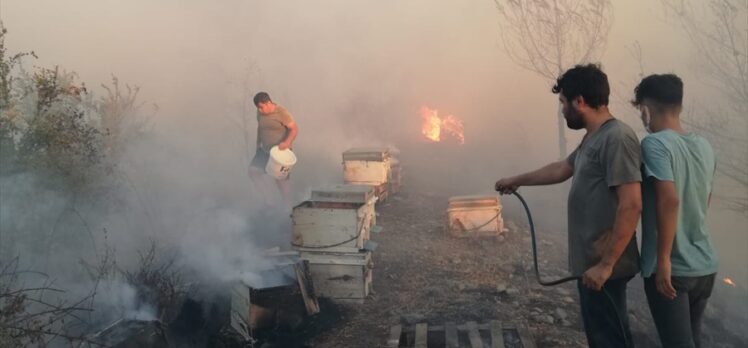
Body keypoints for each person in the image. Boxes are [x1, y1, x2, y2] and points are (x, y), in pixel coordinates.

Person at [495, 64, 641, 348]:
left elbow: (632, 204)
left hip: (604, 266)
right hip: (592, 265)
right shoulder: (594, 138)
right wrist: (518, 180)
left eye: (563, 103)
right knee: (600, 337)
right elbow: (562, 168)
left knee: (611, 339)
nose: (562, 111)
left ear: (580, 101)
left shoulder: (617, 138)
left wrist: (606, 265)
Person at [633, 74, 718, 348]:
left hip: (673, 270)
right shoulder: (704, 146)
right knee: (692, 340)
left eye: (640, 110)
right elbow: (705, 200)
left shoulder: (655, 144)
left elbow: (669, 200)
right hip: (704, 266)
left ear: (646, 109)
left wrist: (664, 260)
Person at [249, 91, 299, 207]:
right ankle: (269, 200)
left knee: (281, 180)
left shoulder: (282, 113)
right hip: (265, 150)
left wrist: (287, 142)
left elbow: (294, 129)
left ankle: (288, 208)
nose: (259, 110)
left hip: (280, 152)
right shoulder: (260, 112)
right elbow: (260, 128)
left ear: (268, 103)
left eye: (261, 107)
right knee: (253, 171)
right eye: (258, 108)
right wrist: (257, 144)